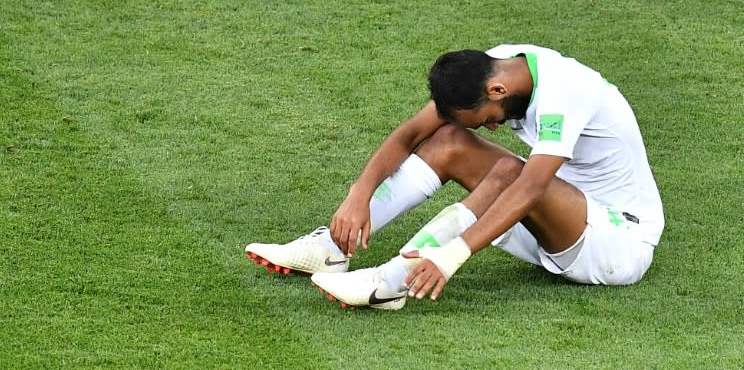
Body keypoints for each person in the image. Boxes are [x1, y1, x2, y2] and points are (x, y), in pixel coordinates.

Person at [245, 44, 664, 310]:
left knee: (510, 171)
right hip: (555, 223)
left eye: (485, 120)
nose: (491, 130)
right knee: (448, 139)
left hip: (617, 243)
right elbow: (413, 132)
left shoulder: (566, 92)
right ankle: (331, 249)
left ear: (497, 92)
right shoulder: (499, 67)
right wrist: (358, 194)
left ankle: (392, 282)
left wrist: (451, 255)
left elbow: (532, 186)